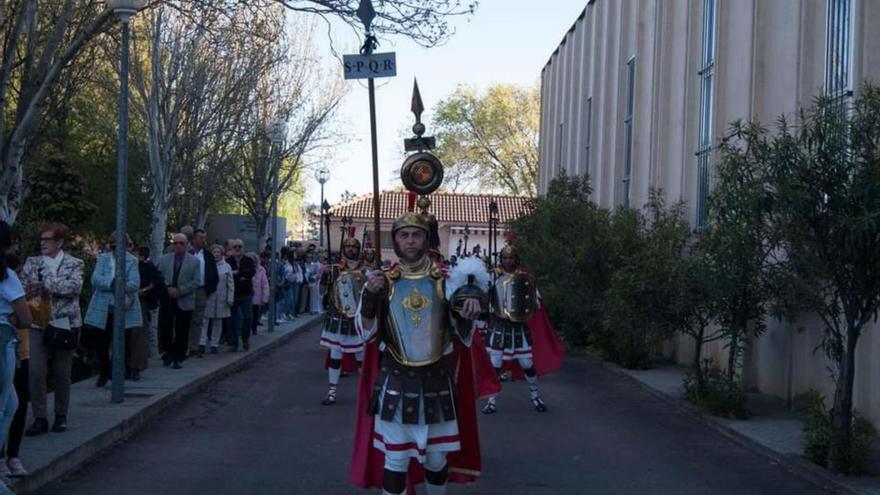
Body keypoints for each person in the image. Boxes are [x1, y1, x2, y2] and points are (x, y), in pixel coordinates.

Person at [350, 209, 485, 495]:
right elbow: (366, 332)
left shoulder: (447, 280)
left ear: (427, 239)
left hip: (438, 383)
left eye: (417, 235)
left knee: (437, 460)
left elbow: (462, 334)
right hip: (395, 381)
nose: (410, 240)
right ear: (396, 241)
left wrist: (467, 315)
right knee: (395, 460)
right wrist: (371, 299)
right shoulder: (380, 281)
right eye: (404, 235)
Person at [481, 244, 564, 414]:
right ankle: (491, 401)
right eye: (505, 258)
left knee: (527, 363)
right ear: (501, 259)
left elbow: (535, 300)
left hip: (518, 327)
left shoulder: (524, 277)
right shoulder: (492, 276)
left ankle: (535, 396)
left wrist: (531, 305)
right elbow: (486, 297)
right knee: (495, 365)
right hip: (499, 325)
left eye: (511, 258)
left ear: (516, 259)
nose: (508, 261)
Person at [21, 223, 83, 436]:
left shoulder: (75, 263)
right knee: (36, 371)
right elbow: (23, 287)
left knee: (62, 372)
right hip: (38, 323)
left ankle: (61, 414)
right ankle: (39, 417)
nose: (43, 243)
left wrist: (47, 285)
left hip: (64, 324)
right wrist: (32, 289)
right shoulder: (32, 262)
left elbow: (73, 287)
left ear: (59, 242)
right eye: (41, 239)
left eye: (47, 240)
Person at [83, 233, 142, 387]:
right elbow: (95, 279)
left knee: (124, 341)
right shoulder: (103, 259)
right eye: (114, 246)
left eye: (120, 245)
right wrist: (111, 283)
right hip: (104, 307)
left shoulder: (132, 260)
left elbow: (135, 284)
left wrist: (119, 286)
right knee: (101, 342)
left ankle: (122, 371)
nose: (117, 249)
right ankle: (104, 372)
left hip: (124, 308)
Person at [318, 235, 366, 405]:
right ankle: (332, 392)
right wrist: (325, 278)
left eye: (354, 247)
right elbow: (323, 292)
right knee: (335, 355)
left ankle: (365, 394)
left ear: (359, 250)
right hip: (337, 317)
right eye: (348, 246)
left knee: (362, 357)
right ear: (343, 249)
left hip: (358, 320)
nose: (351, 249)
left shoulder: (366, 271)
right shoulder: (333, 269)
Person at [2, 249, 31, 478]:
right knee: (6, 405)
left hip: (13, 344)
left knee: (11, 403)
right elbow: (26, 318)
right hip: (5, 341)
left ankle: (9, 458)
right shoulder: (7, 275)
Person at [157, 233, 200, 369]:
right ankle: (168, 352)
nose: (178, 246)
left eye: (181, 243)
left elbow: (196, 281)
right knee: (165, 328)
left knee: (182, 330)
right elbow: (159, 276)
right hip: (168, 299)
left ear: (187, 244)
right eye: (175, 243)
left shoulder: (194, 261)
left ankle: (179, 357)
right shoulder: (164, 260)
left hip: (184, 299)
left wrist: (180, 290)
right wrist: (168, 288)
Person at [187, 229, 219, 358]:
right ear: (194, 239)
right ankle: (183, 346)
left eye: (204, 238)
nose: (203, 240)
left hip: (201, 290)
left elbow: (213, 273)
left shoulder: (208, 255)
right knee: (185, 318)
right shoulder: (187, 253)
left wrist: (209, 289)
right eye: (201, 238)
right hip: (186, 290)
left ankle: (194, 346)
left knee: (198, 320)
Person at [134, 246, 164, 378]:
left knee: (139, 334)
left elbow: (156, 281)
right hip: (123, 302)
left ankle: (137, 365)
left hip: (140, 302)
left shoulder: (146, 266)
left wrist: (145, 290)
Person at [202, 245, 233, 354]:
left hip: (221, 298)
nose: (216, 254)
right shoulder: (207, 264)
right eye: (214, 252)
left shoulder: (226, 267)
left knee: (218, 322)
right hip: (209, 297)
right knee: (205, 320)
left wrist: (230, 298)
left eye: (218, 252)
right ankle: (202, 342)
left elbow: (230, 284)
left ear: (222, 254)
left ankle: (214, 344)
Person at [226, 239, 255, 351]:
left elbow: (251, 272)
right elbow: (228, 275)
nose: (237, 249)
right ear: (232, 249)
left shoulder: (248, 260)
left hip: (246, 293)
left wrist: (238, 273)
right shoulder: (228, 261)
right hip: (233, 293)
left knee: (247, 318)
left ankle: (245, 339)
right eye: (235, 247)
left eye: (240, 246)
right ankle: (233, 343)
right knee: (232, 319)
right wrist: (241, 275)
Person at [251, 252, 269, 334]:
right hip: (247, 296)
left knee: (255, 314)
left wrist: (265, 297)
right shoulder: (245, 268)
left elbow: (265, 284)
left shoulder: (261, 270)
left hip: (257, 297)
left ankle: (254, 328)